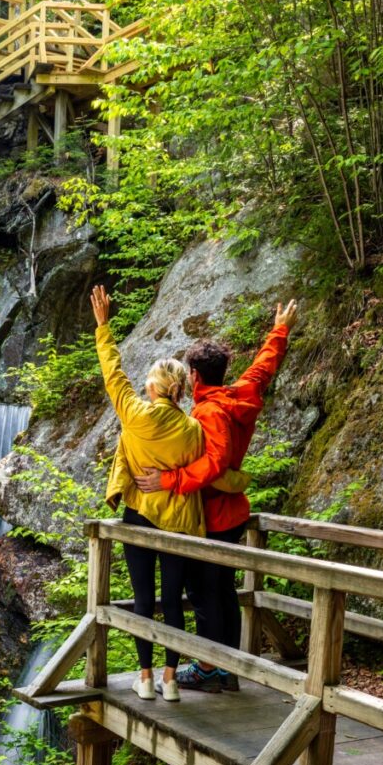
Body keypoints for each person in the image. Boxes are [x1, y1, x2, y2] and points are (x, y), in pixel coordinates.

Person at [91, 284, 247, 702]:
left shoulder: (135, 414)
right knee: (173, 600)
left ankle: (143, 679)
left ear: (155, 387)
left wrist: (103, 326)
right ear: (180, 389)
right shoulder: (192, 428)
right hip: (179, 523)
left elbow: (113, 373)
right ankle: (171, 679)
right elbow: (213, 473)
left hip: (140, 515)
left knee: (144, 598)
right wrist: (241, 482)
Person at [134, 300, 299, 692]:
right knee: (223, 590)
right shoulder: (238, 394)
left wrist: (168, 481)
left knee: (205, 594)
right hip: (234, 513)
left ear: (192, 376)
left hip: (212, 515)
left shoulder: (209, 413)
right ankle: (228, 667)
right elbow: (261, 370)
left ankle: (211, 668)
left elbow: (214, 464)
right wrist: (279, 331)